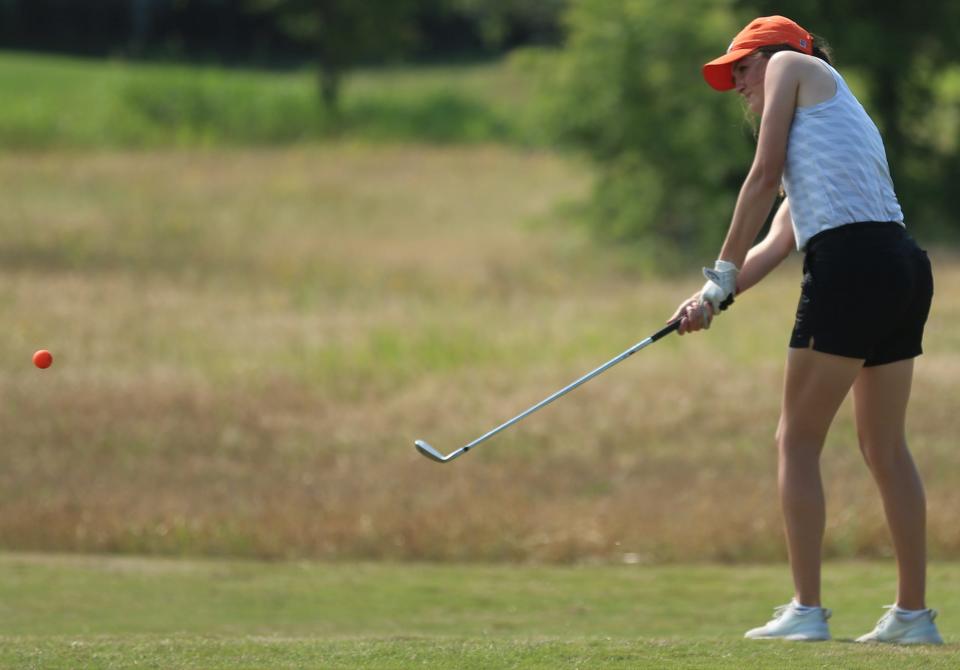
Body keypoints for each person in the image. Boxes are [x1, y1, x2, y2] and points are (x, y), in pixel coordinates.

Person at [670, 15, 942, 644]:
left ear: (777, 55)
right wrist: (710, 297)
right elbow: (775, 242)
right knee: (883, 446)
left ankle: (807, 612)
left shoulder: (799, 65)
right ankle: (912, 619)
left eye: (743, 66)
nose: (738, 82)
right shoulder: (822, 137)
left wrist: (719, 272)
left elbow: (760, 179)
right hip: (899, 268)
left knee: (796, 441)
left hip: (852, 267)